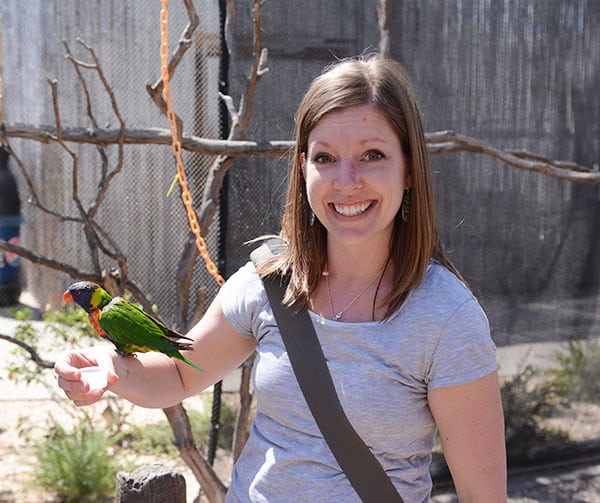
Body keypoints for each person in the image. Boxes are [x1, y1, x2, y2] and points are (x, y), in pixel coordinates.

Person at [55, 54, 507, 502]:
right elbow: (176, 375)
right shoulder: (268, 282)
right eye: (326, 158)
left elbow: (481, 496)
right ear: (303, 166)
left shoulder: (447, 317)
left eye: (372, 155)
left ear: (409, 168)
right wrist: (111, 369)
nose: (346, 181)